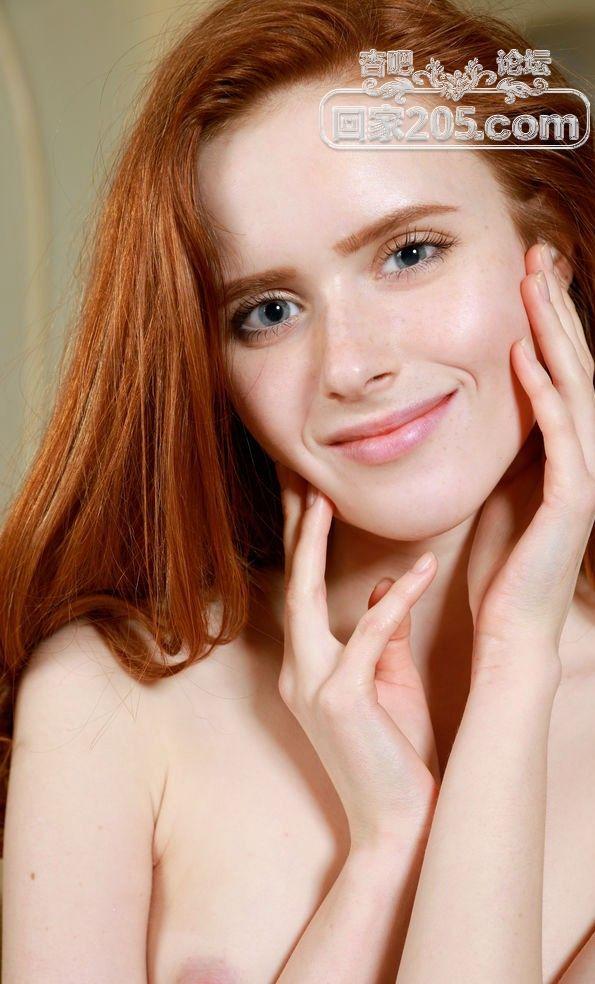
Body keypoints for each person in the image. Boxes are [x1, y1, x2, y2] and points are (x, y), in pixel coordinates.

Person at [1, 0, 593, 981]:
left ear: (551, 259)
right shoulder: (108, 700)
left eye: (409, 253)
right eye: (269, 311)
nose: (349, 365)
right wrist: (383, 847)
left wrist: (512, 671)